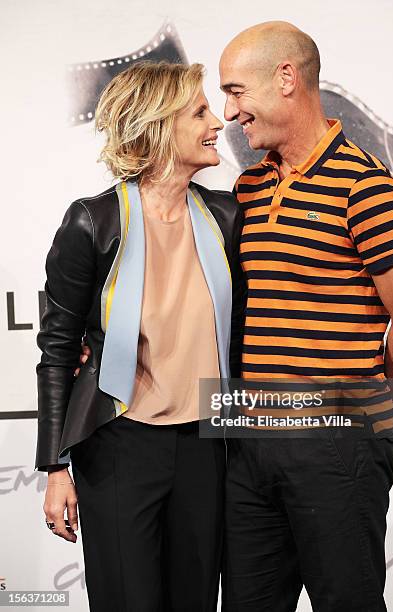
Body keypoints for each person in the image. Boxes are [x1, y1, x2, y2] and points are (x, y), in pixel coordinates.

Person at [218, 21, 393, 611]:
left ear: (287, 78)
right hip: (248, 438)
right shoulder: (247, 188)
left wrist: (362, 399)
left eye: (237, 90)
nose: (229, 110)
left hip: (337, 443)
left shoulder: (367, 188)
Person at [35, 61, 246, 612]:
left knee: (196, 602)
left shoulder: (226, 217)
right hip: (119, 445)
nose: (217, 123)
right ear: (157, 125)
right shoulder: (92, 222)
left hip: (206, 444)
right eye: (199, 112)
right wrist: (56, 467)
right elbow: (57, 351)